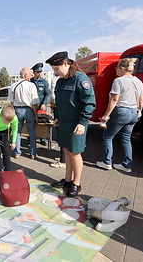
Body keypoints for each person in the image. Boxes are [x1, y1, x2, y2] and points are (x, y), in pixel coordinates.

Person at [45, 51, 96, 197]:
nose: (55, 72)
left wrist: (82, 122)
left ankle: (76, 183)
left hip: (77, 123)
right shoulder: (61, 81)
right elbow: (60, 102)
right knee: (67, 151)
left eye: (56, 69)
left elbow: (89, 103)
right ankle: (67, 180)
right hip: (64, 123)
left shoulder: (80, 78)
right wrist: (58, 117)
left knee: (75, 153)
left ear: (66, 63)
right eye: (54, 69)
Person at [96, 58, 143, 173]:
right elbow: (141, 99)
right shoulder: (139, 81)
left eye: (116, 67)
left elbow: (114, 99)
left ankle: (107, 162)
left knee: (108, 137)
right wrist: (140, 111)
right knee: (126, 138)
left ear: (122, 69)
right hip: (134, 111)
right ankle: (126, 164)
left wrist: (106, 115)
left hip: (122, 111)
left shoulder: (118, 81)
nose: (115, 70)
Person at [8, 67, 39, 159]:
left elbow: (11, 102)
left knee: (17, 132)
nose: (31, 76)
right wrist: (36, 115)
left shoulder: (13, 85)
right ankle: (33, 153)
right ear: (25, 75)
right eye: (30, 75)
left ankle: (17, 152)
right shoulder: (31, 85)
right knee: (32, 132)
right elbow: (34, 103)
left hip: (17, 110)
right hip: (29, 110)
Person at [30, 62, 51, 146]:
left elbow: (47, 94)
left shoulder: (44, 82)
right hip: (31, 105)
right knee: (31, 121)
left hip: (40, 106)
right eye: (37, 72)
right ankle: (30, 137)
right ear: (34, 72)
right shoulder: (30, 81)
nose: (39, 73)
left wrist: (44, 103)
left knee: (42, 122)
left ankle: (43, 138)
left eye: (40, 72)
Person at [48, 75, 66, 168]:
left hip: (59, 109)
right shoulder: (61, 80)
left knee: (62, 136)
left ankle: (63, 160)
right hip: (58, 108)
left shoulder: (57, 80)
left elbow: (53, 96)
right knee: (61, 135)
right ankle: (64, 157)